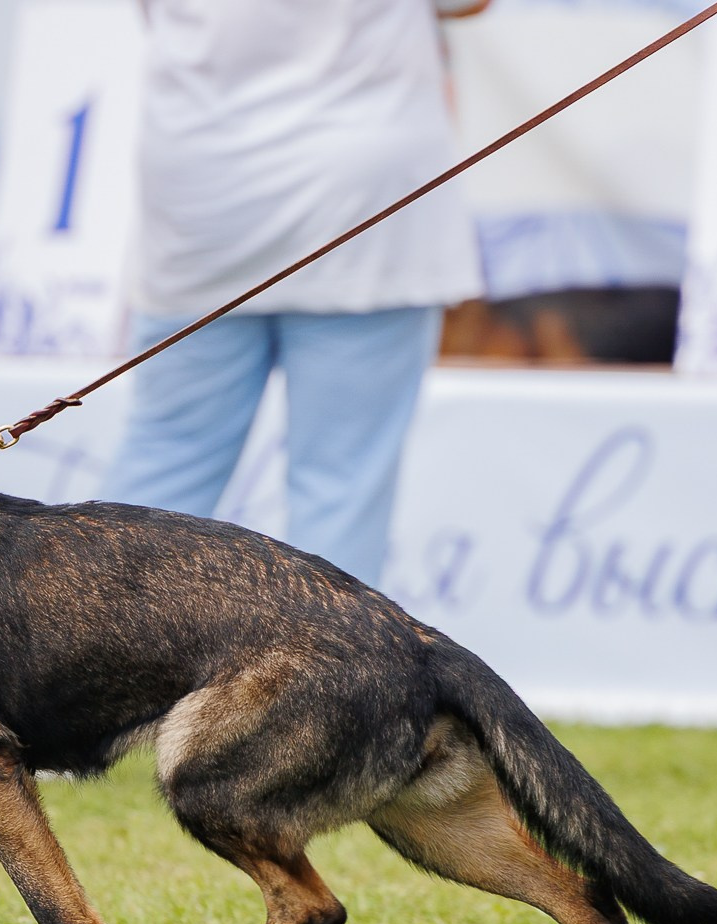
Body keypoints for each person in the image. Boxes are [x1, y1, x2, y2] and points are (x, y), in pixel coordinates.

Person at [102, 0, 484, 588]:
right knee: (342, 487)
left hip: (204, 196)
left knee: (166, 459)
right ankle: (333, 651)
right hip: (360, 197)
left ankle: (94, 638)